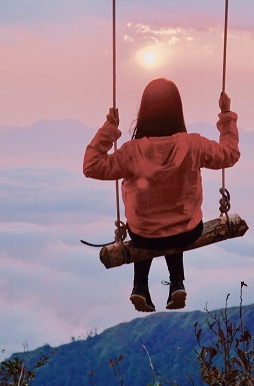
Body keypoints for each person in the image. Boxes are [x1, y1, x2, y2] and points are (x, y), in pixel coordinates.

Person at [83, 78, 240, 312]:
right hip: (187, 232)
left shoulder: (131, 152)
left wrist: (109, 129)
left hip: (144, 236)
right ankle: (177, 282)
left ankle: (140, 286)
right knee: (175, 223)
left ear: (144, 111)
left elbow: (92, 166)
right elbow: (229, 154)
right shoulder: (193, 145)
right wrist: (226, 115)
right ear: (178, 110)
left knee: (148, 226)